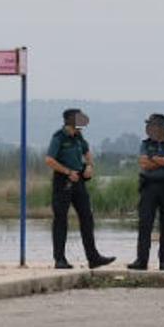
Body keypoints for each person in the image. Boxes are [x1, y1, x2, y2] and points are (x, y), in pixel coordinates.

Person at [44, 108, 116, 269]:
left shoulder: (79, 137)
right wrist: (67, 172)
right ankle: (60, 259)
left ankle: (93, 257)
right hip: (63, 182)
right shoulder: (59, 137)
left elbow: (87, 152)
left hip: (79, 181)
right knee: (61, 220)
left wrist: (90, 165)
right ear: (71, 120)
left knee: (87, 218)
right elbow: (49, 160)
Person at [128, 114, 164, 271]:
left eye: (152, 125)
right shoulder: (145, 144)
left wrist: (154, 159)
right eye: (148, 126)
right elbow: (143, 163)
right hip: (149, 187)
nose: (149, 129)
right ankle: (141, 261)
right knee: (145, 224)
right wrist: (163, 162)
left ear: (162, 128)